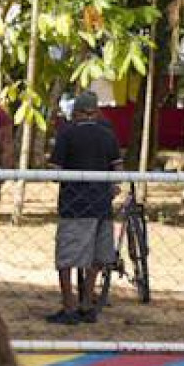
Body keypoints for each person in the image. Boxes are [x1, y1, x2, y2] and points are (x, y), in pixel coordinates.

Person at [45, 89, 123, 324]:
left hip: (75, 204)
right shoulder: (108, 135)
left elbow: (55, 172)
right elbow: (117, 171)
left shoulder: (67, 134)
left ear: (76, 113)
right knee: (98, 258)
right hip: (102, 206)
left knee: (67, 258)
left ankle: (69, 305)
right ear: (96, 112)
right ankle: (87, 303)